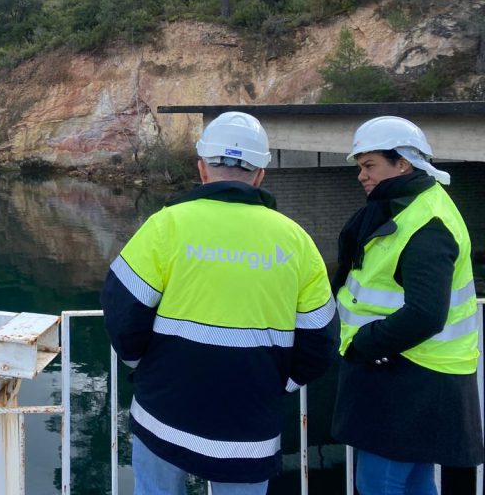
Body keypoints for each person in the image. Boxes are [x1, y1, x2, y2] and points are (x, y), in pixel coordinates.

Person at [101, 111, 339, 494]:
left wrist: (143, 365)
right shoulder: (298, 242)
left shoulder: (167, 225)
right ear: (260, 174)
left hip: (163, 413)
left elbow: (121, 313)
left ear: (202, 168)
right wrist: (281, 382)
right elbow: (322, 342)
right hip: (248, 427)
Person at [332, 116, 483, 495]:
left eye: (370, 166)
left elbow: (426, 313)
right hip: (412, 372)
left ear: (403, 163)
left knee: (378, 484)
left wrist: (363, 343)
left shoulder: (427, 223)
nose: (361, 176)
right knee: (414, 481)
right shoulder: (412, 205)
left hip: (411, 374)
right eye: (360, 167)